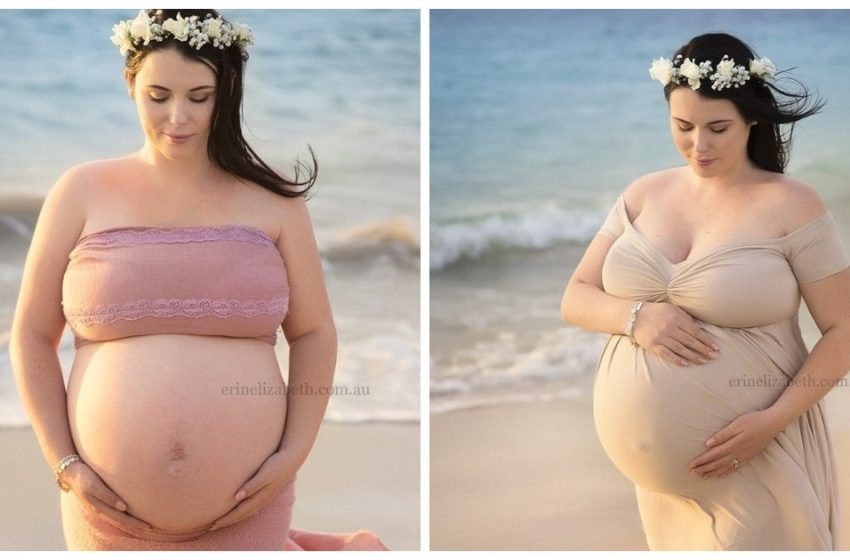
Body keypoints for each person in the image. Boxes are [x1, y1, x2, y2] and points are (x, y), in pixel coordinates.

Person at [10, 9, 385, 551]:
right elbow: (29, 335)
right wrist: (65, 463)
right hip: (106, 515)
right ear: (130, 85)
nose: (177, 117)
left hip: (248, 509)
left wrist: (292, 455)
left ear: (226, 90)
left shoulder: (274, 200)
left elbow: (314, 333)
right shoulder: (81, 191)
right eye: (157, 96)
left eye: (199, 97)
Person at [561, 32, 850, 550]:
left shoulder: (793, 205)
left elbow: (844, 329)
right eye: (683, 126)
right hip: (666, 497)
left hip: (760, 455)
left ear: (751, 120)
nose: (700, 144)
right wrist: (637, 318)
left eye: (718, 128)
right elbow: (577, 296)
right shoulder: (642, 194)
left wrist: (771, 422)